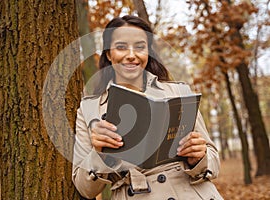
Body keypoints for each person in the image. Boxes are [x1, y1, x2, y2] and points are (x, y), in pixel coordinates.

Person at [72, 15, 223, 200]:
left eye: (140, 47)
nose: (131, 55)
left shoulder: (179, 92)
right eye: (121, 47)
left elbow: (214, 162)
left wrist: (199, 157)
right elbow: (83, 188)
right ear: (109, 54)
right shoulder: (89, 109)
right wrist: (99, 153)